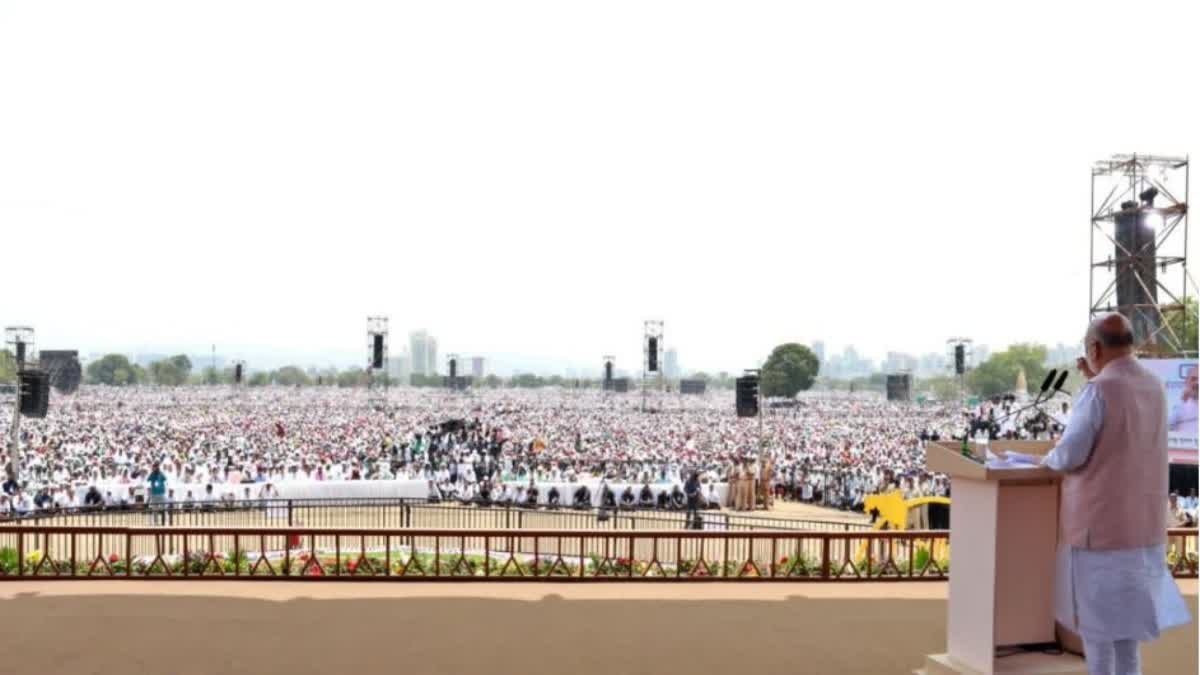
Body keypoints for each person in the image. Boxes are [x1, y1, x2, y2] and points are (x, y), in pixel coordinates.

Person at [1028, 314, 1190, 674]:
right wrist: (1096, 377)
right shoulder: (1153, 385)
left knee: (1098, 640)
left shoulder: (1099, 389)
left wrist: (1044, 458)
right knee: (1127, 641)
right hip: (1144, 532)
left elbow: (1070, 455)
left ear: (1094, 348)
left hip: (1099, 535)